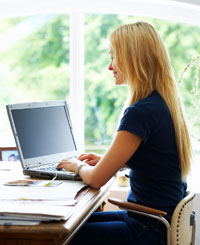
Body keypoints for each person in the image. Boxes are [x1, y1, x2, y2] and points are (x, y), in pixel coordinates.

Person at [57, 22, 192, 245]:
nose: (110, 67)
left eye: (113, 57)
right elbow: (155, 160)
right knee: (70, 225)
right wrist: (107, 161)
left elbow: (97, 179)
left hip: (147, 227)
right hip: (156, 220)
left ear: (132, 59)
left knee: (60, 236)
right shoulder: (162, 103)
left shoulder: (141, 111)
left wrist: (76, 165)